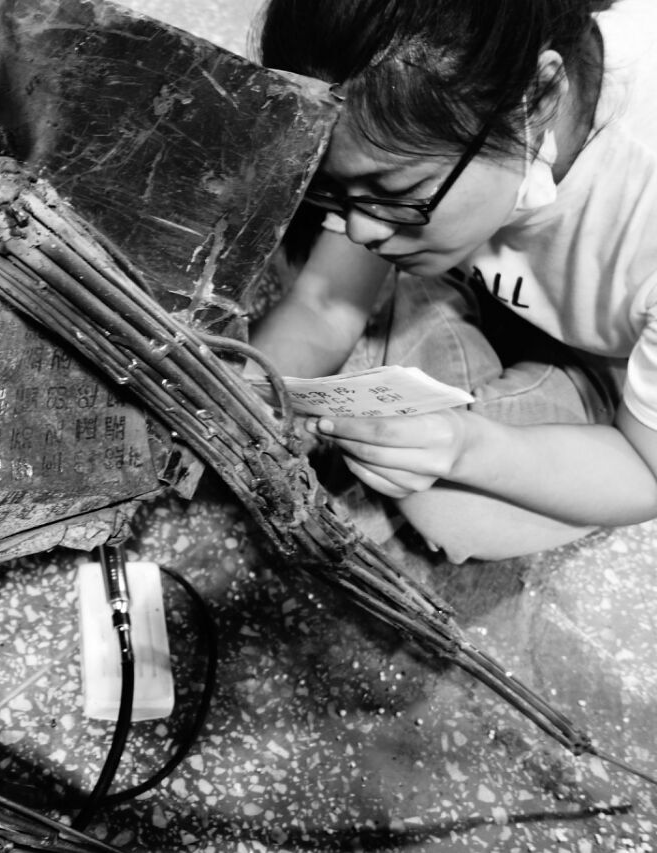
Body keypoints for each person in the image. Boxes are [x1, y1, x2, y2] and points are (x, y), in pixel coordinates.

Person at [248, 0, 657, 563]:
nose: (362, 230)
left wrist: (465, 447)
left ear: (540, 98)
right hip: (504, 294)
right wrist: (234, 396)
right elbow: (321, 306)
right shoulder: (414, 107)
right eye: (337, 191)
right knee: (373, 413)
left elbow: (646, 473)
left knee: (455, 511)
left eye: (396, 192)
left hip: (610, 361)